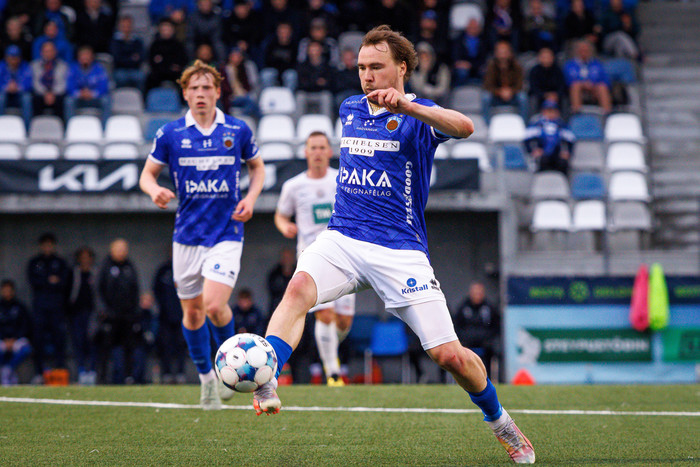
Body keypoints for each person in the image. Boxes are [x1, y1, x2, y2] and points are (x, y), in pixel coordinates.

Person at [255, 25, 535, 464]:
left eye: (376, 67)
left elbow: (465, 127)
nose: (366, 75)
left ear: (401, 68)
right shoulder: (350, 108)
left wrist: (408, 106)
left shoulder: (418, 114)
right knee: (297, 289)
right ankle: (265, 371)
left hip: (399, 250)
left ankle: (500, 421)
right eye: (361, 67)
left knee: (449, 355)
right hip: (343, 237)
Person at [139, 59, 265, 409]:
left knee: (213, 305)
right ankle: (207, 379)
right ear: (184, 93)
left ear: (218, 91)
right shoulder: (171, 134)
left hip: (226, 231)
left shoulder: (237, 130)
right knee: (193, 314)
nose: (200, 93)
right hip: (186, 236)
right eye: (193, 88)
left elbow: (257, 168)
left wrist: (251, 198)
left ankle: (230, 368)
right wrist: (154, 190)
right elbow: (147, 175)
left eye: (207, 87)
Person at [275, 131, 356, 386]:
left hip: (343, 255)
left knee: (343, 322)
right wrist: (285, 226)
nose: (318, 152)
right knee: (325, 315)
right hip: (312, 257)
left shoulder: (342, 179)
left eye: (322, 148)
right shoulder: (294, 186)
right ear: (306, 152)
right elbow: (280, 215)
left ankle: (329, 351)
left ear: (330, 152)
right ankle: (333, 372)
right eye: (313, 148)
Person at [26, 232, 70, 384]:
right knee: (38, 340)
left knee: (59, 340)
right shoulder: (35, 262)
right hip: (40, 307)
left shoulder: (60, 262)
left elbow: (64, 283)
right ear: (41, 246)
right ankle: (39, 373)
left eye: (50, 245)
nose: (47, 247)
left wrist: (48, 282)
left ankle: (59, 372)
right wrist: (49, 280)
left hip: (57, 308)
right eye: (45, 245)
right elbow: (34, 282)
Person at [98, 238, 142, 384]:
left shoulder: (130, 266)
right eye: (118, 249)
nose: (121, 252)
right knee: (105, 347)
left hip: (127, 315)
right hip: (110, 315)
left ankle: (128, 377)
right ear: (112, 250)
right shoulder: (106, 266)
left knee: (129, 346)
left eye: (123, 249)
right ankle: (103, 377)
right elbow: (99, 290)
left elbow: (135, 290)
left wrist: (135, 311)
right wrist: (104, 310)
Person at [453, 282, 501, 380]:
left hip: (485, 344)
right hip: (467, 343)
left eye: (479, 293)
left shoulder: (489, 307)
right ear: (470, 293)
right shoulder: (463, 307)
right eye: (475, 293)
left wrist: (488, 339)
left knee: (493, 352)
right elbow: (457, 326)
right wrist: (464, 339)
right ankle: (465, 379)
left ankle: (487, 379)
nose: (477, 295)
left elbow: (496, 326)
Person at [152, 255, 187, 384]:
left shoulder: (186, 270)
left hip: (183, 316)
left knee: (182, 344)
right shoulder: (163, 270)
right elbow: (156, 290)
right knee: (165, 344)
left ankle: (180, 373)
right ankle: (166, 373)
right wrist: (162, 307)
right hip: (165, 316)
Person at [68, 246, 98, 385]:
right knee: (78, 342)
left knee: (92, 342)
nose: (85, 260)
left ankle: (91, 371)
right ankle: (81, 371)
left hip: (92, 314)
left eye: (87, 257)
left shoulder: (95, 273)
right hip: (76, 313)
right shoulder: (74, 273)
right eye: (82, 257)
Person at [524, 99, 576, 174]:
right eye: (548, 111)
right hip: (543, 154)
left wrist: (566, 152)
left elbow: (570, 139)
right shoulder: (537, 124)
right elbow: (528, 138)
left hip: (557, 154)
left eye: (553, 111)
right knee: (542, 161)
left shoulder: (561, 124)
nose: (551, 113)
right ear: (543, 111)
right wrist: (533, 150)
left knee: (563, 163)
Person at [482, 40, 528, 123]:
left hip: (513, 95)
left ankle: (523, 123)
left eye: (505, 52)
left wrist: (511, 91)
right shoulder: (491, 66)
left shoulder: (517, 66)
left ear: (510, 53)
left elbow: (520, 84)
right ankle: (487, 124)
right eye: (500, 52)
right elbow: (488, 85)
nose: (503, 55)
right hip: (496, 96)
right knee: (486, 97)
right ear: (496, 53)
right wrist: (500, 92)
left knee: (523, 97)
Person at [64, 44, 111, 123]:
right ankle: (69, 126)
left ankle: (105, 127)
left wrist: (92, 93)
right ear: (79, 58)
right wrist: (80, 93)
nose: (85, 58)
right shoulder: (73, 68)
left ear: (92, 57)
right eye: (83, 55)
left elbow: (104, 86)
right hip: (79, 98)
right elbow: (69, 86)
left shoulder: (99, 68)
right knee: (68, 101)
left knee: (106, 100)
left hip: (95, 98)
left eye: (87, 55)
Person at [564, 39, 612, 114]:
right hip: (578, 88)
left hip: (595, 88)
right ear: (577, 51)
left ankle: (607, 113)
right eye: (582, 50)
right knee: (575, 86)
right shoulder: (569, 65)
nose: (584, 52)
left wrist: (593, 84)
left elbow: (605, 79)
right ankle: (576, 112)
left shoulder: (597, 64)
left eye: (586, 50)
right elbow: (567, 80)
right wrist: (583, 84)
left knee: (602, 87)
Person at [0, 279, 32, 386]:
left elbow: (25, 325)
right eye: (5, 291)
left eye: (9, 291)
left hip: (16, 339)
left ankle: (8, 369)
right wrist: (4, 339)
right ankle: (5, 371)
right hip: (2, 340)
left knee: (26, 349)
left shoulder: (20, 307)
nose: (7, 293)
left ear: (13, 291)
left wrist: (14, 339)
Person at [30, 40, 68, 120]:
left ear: (55, 52)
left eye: (51, 51)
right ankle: (36, 124)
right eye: (46, 51)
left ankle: (61, 125)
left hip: (57, 94)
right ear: (41, 53)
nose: (49, 53)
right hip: (41, 93)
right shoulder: (34, 65)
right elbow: (35, 83)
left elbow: (63, 83)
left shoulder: (63, 65)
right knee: (34, 98)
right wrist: (45, 93)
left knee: (63, 100)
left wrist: (53, 93)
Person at [0, 45, 33, 127]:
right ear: (6, 58)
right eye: (11, 57)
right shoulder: (1, 66)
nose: (13, 60)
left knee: (27, 98)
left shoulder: (25, 66)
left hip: (19, 94)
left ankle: (26, 128)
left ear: (19, 58)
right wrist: (6, 87)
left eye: (15, 57)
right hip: (5, 93)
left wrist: (18, 87)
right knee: (0, 98)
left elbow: (29, 84)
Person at [110, 15, 146, 90]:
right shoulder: (115, 41)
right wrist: (132, 58)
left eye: (128, 26)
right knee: (120, 77)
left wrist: (125, 58)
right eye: (124, 26)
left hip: (135, 69)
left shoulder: (137, 41)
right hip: (120, 69)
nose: (126, 29)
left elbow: (141, 57)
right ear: (119, 27)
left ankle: (140, 97)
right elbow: (117, 58)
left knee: (141, 77)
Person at [409, 41, 450, 106]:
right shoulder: (415, 70)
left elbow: (444, 87)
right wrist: (423, 71)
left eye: (426, 56)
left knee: (446, 96)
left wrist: (432, 92)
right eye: (421, 57)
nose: (425, 59)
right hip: (422, 97)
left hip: (438, 97)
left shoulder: (441, 68)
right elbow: (416, 88)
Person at [528, 46, 567, 114]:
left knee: (564, 99)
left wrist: (556, 95)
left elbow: (562, 86)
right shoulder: (534, 71)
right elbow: (533, 88)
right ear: (539, 58)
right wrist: (545, 95)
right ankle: (533, 118)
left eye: (548, 57)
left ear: (553, 58)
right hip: (540, 96)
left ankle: (563, 119)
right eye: (544, 57)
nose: (546, 60)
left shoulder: (558, 70)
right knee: (533, 99)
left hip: (556, 96)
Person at [451, 18, 488, 86]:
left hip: (478, 66)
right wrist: (460, 63)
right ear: (467, 28)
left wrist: (471, 65)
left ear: (479, 29)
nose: (473, 29)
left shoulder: (484, 41)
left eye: (475, 28)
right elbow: (455, 56)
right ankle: (459, 90)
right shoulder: (458, 40)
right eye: (471, 27)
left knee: (486, 72)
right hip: (462, 66)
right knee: (462, 72)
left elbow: (484, 58)